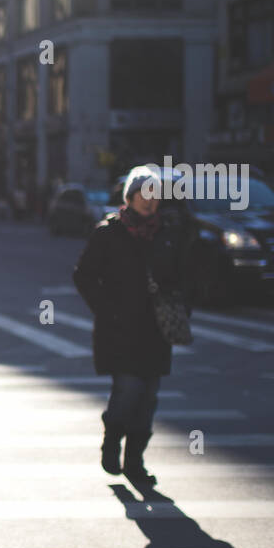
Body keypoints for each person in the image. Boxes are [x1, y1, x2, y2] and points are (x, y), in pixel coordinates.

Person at [73, 166, 190, 489]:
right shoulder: (108, 232)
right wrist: (106, 309)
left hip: (155, 330)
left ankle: (135, 462)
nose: (150, 201)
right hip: (119, 329)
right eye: (144, 194)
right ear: (131, 196)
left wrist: (180, 306)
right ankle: (112, 442)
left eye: (156, 195)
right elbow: (83, 275)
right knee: (127, 392)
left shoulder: (166, 233)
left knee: (148, 399)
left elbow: (182, 275)